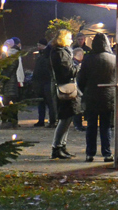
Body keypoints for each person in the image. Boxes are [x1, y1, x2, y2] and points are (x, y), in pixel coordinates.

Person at [77, 33, 118, 163]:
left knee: (91, 126)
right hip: (108, 97)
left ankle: (90, 154)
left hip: (91, 97)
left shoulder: (88, 59)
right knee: (105, 126)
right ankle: (107, 153)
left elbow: (80, 80)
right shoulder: (114, 59)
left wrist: (84, 91)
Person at [50, 29, 81, 160]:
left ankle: (61, 146)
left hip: (66, 87)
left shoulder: (61, 52)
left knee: (67, 119)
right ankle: (57, 147)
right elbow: (68, 72)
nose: (71, 40)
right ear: (62, 39)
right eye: (69, 38)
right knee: (65, 119)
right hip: (65, 89)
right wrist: (78, 65)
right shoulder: (60, 53)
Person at [0, 38, 23, 129]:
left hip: (10, 83)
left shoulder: (11, 58)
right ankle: (12, 121)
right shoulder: (14, 56)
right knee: (11, 103)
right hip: (12, 82)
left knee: (8, 102)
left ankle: (9, 122)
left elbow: (7, 70)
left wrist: (1, 79)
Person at [32, 38, 57, 128]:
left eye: (40, 45)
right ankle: (42, 120)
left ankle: (51, 121)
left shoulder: (47, 56)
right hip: (41, 82)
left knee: (49, 103)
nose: (38, 47)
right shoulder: (41, 56)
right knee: (42, 102)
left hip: (47, 82)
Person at [71, 48, 86, 132]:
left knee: (78, 107)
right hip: (77, 88)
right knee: (77, 107)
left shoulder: (77, 64)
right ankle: (78, 125)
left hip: (78, 88)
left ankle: (78, 124)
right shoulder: (76, 65)